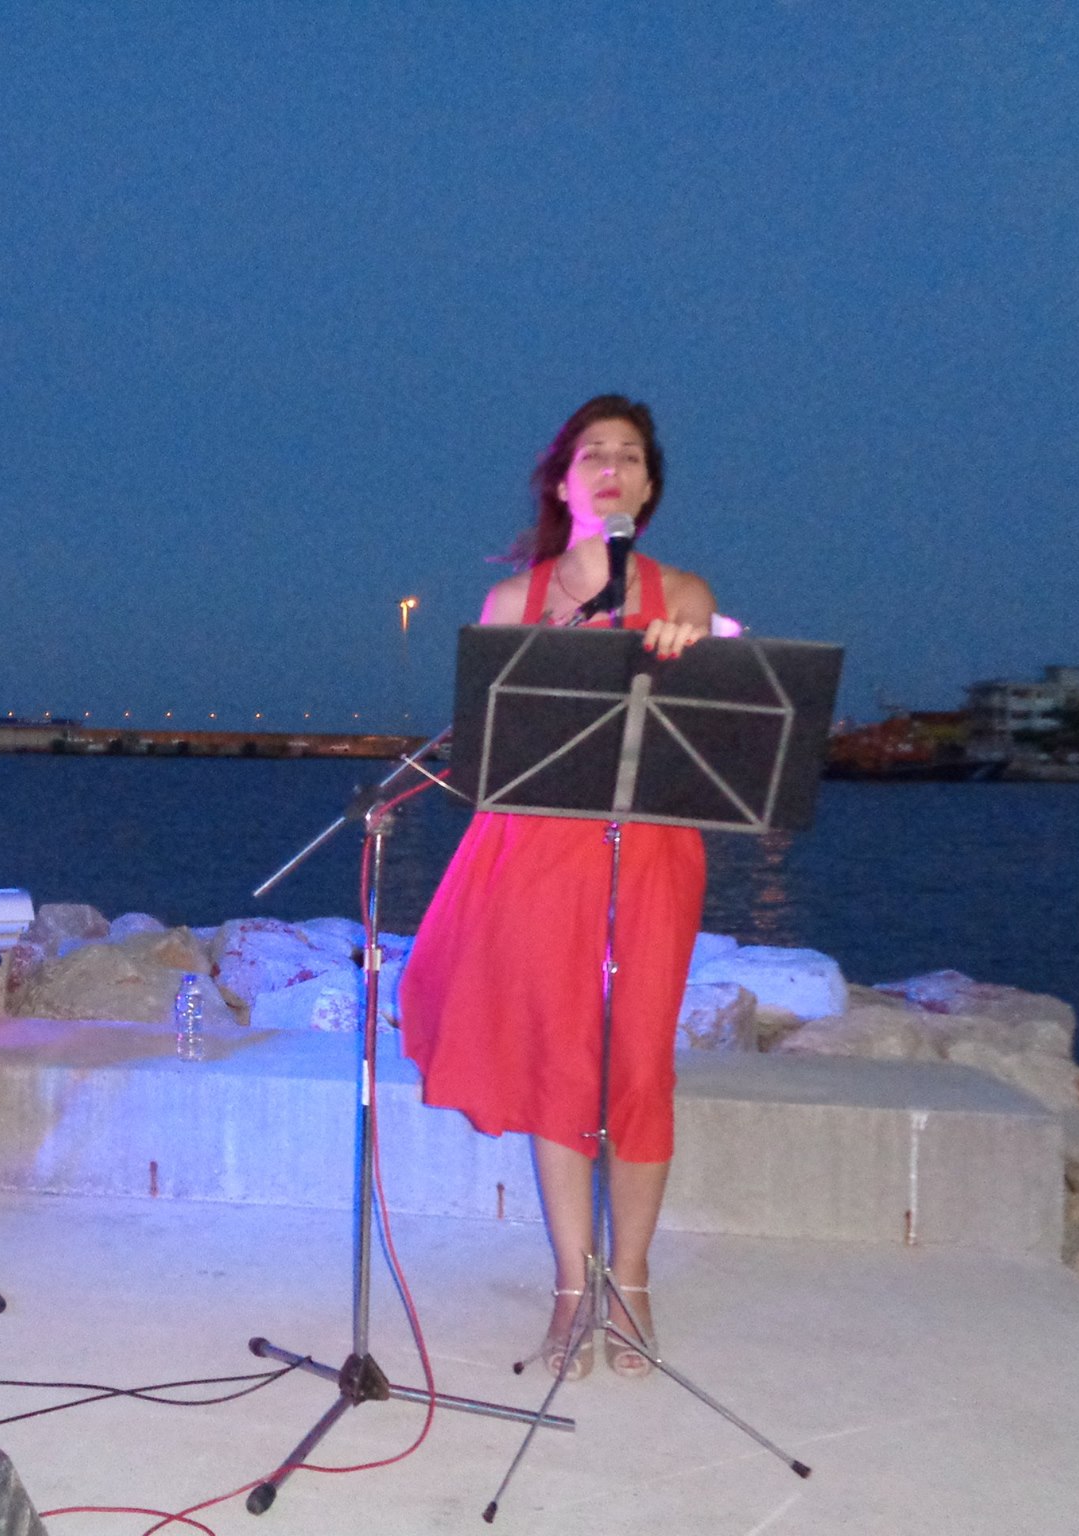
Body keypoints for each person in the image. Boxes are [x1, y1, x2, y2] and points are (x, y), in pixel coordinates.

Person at [399, 395, 713, 1379]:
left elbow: (716, 723)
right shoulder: (511, 603)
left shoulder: (685, 593)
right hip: (537, 855)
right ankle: (572, 1287)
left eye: (630, 456)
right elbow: (490, 754)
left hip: (650, 854)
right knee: (559, 1068)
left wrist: (690, 645)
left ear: (647, 488)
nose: (612, 467)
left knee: (638, 1069)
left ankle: (632, 1281)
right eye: (593, 454)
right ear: (563, 481)